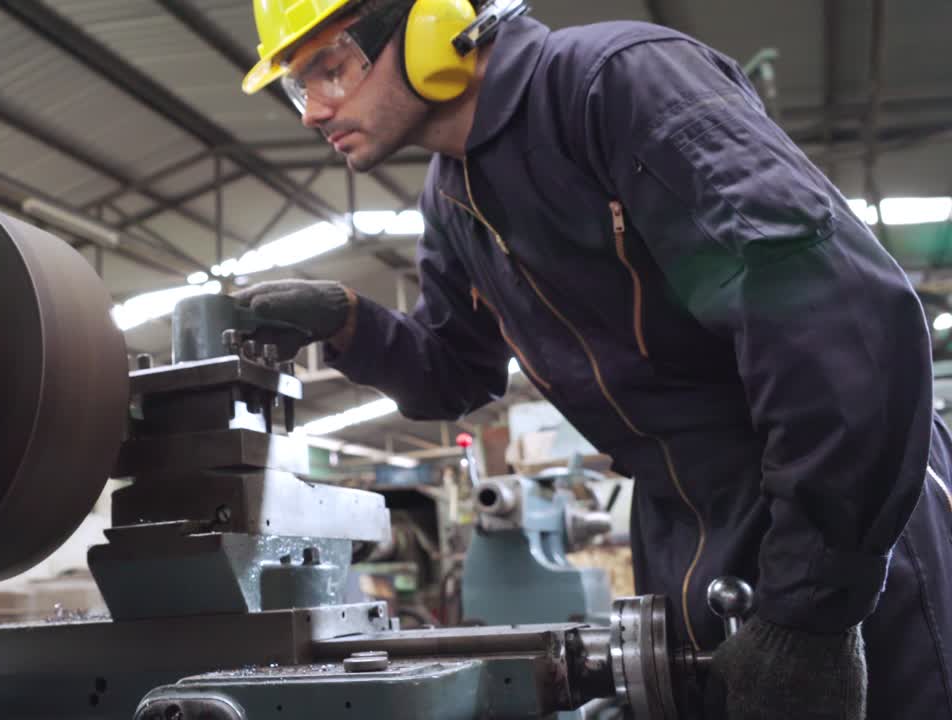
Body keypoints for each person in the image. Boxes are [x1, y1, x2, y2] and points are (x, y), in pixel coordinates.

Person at [232, 1, 952, 718]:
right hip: (681, 530)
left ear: (432, 24)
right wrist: (352, 325)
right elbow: (454, 368)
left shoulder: (614, 85)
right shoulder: (453, 201)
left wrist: (812, 609)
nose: (312, 112)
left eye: (331, 69)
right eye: (299, 87)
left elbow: (838, 319)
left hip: (838, 509)